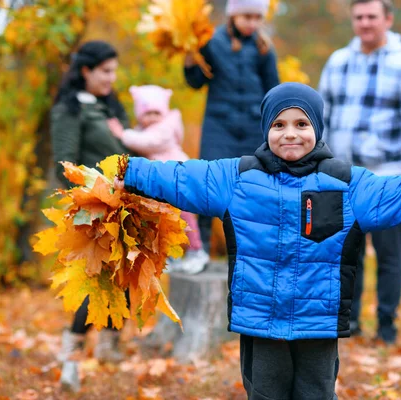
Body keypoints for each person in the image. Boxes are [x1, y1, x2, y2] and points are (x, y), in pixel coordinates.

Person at [115, 83, 401, 399]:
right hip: (261, 322)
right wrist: (131, 171)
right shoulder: (237, 177)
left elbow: (399, 195)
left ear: (318, 128)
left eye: (301, 123)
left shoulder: (347, 183)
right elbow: (181, 177)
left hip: (318, 322)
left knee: (316, 394)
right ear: (265, 129)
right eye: (278, 124)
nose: (290, 133)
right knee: (265, 393)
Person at [318, 0, 401, 344]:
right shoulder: (338, 62)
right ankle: (349, 323)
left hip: (389, 178)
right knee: (346, 252)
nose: (365, 23)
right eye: (359, 17)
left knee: (389, 254)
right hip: (343, 175)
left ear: (388, 19)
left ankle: (387, 325)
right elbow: (321, 118)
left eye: (372, 16)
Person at [50, 40, 131, 389]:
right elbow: (63, 163)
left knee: (127, 276)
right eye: (105, 71)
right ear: (86, 70)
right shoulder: (70, 109)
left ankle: (110, 350)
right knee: (95, 282)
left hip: (127, 205)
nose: (111, 78)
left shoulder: (112, 106)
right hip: (93, 208)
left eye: (114, 71)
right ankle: (70, 356)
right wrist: (97, 189)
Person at [184, 0, 279, 259]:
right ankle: (200, 248)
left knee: (253, 187)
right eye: (246, 16)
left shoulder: (264, 48)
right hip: (219, 125)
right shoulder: (212, 42)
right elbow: (196, 82)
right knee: (208, 182)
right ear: (233, 16)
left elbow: (273, 90)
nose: (252, 23)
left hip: (252, 128)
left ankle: (252, 249)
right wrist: (191, 61)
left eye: (257, 18)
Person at [109, 84, 209, 274]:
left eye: (157, 112)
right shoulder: (145, 130)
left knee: (184, 218)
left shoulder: (165, 128)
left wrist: (122, 134)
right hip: (163, 187)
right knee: (163, 220)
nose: (153, 117)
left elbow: (147, 142)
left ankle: (196, 250)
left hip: (176, 181)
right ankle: (173, 255)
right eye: (148, 113)